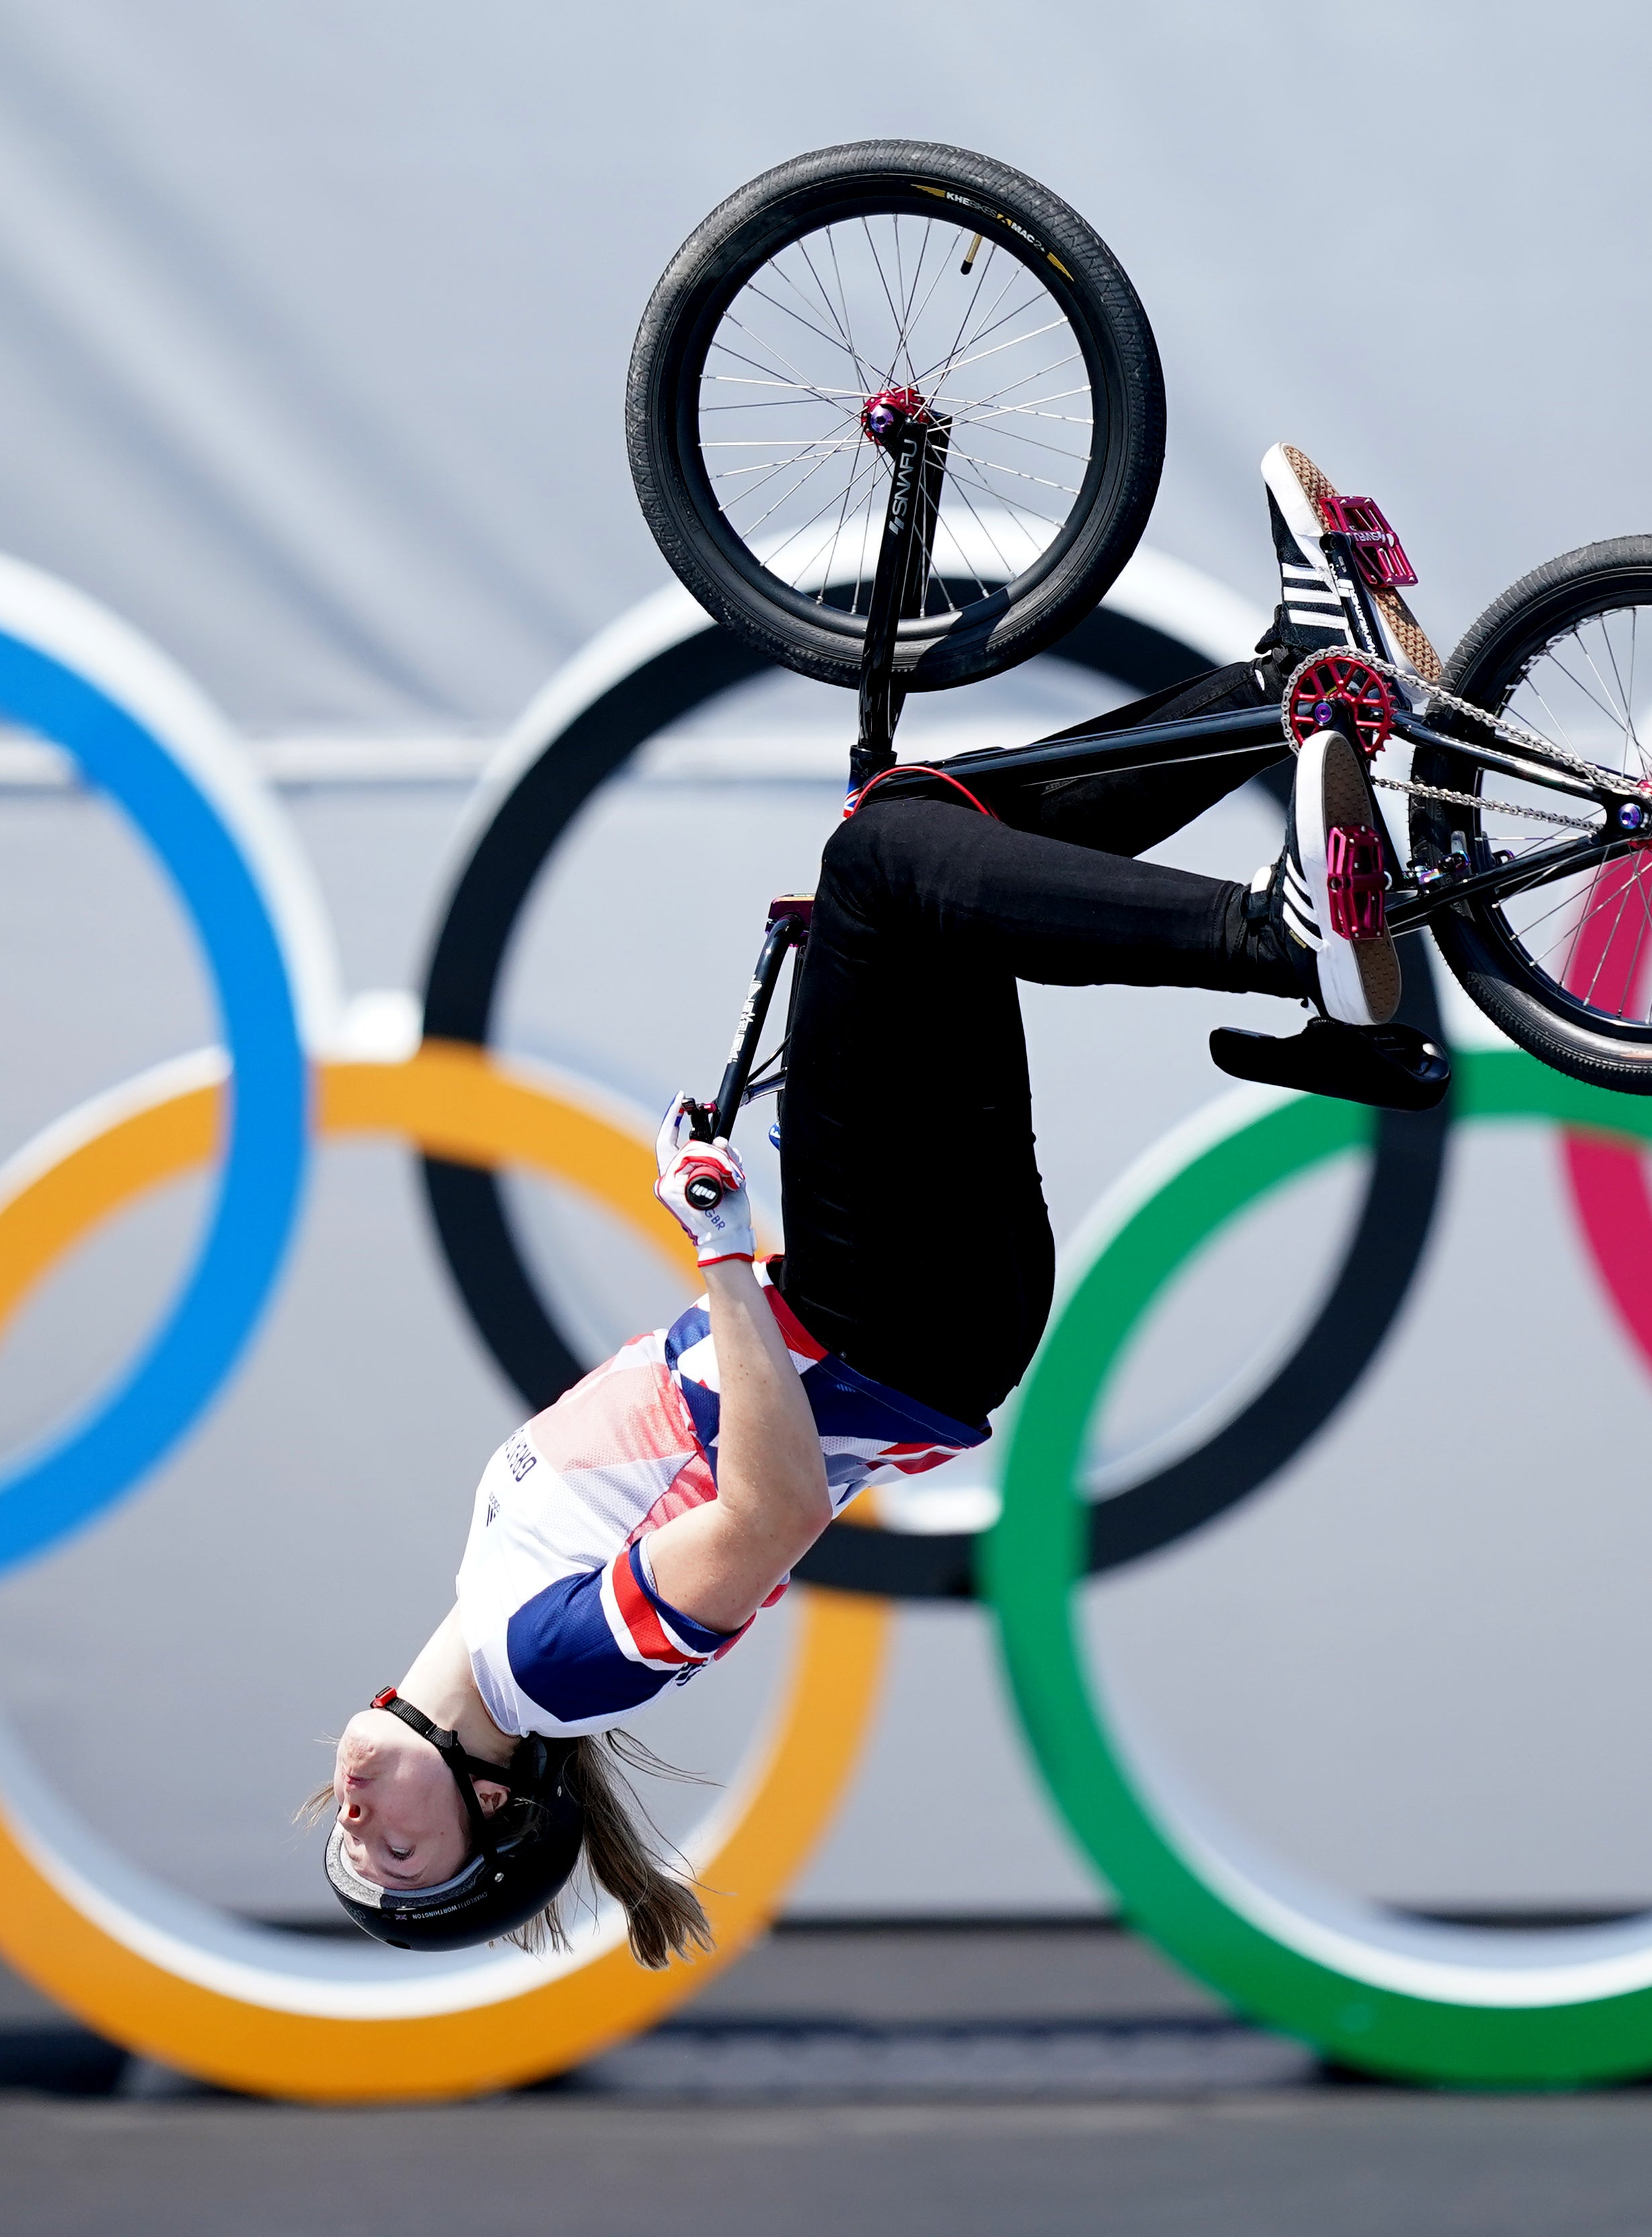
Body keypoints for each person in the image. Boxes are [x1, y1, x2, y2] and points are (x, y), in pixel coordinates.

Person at [322, 456, 1421, 1967]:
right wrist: (714, 1250)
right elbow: (765, 1517)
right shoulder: (548, 1675)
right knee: (888, 866)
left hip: (898, 1306)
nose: (361, 1835)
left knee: (931, 828)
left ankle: (1302, 680)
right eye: (403, 1865)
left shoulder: (503, 1625)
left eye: (346, 1851)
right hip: (887, 1314)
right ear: (501, 1812)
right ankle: (1285, 933)